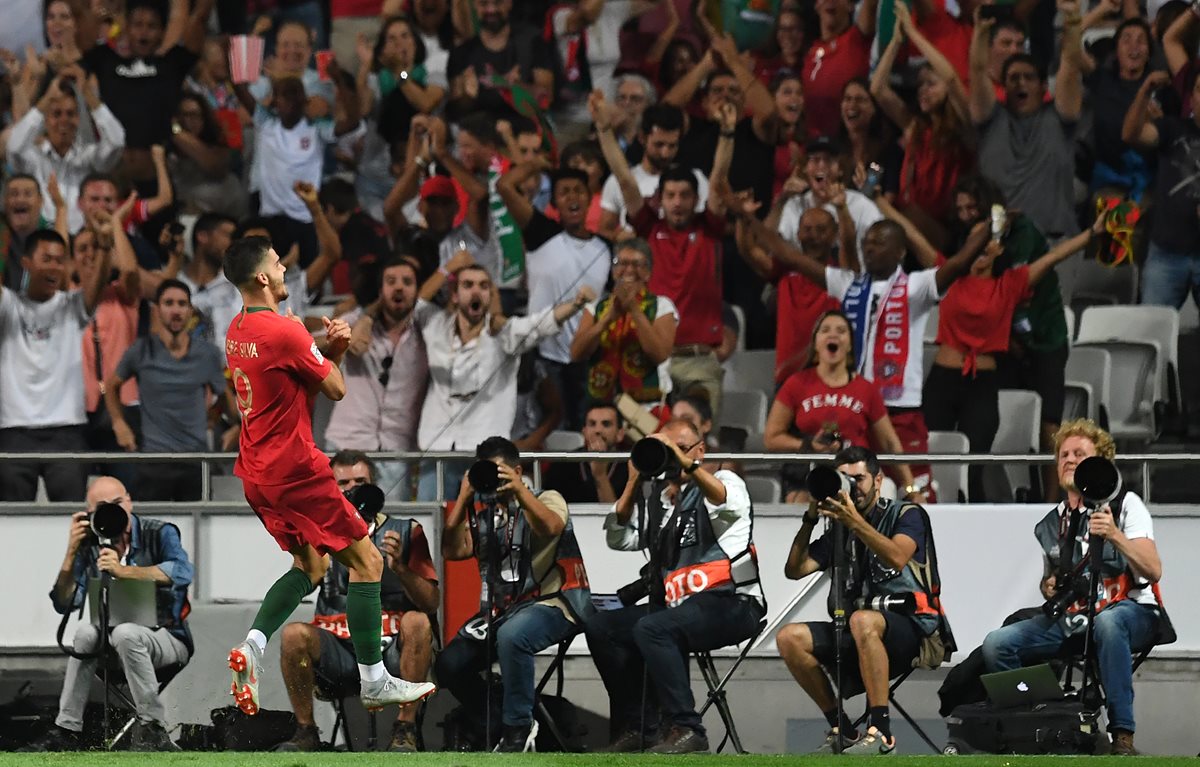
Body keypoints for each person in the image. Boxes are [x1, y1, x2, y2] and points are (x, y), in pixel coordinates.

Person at [220, 236, 436, 717]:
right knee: (368, 563)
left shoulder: (237, 329)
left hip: (256, 473)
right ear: (261, 277)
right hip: (296, 469)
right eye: (277, 263)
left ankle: (251, 647)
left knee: (311, 568)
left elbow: (285, 372)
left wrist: (313, 344)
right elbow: (335, 388)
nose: (283, 269)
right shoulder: (285, 332)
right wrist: (333, 348)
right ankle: (375, 679)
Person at [734, 201, 986, 501]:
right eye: (866, 243)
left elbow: (956, 266)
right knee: (863, 497)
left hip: (901, 409)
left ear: (900, 252)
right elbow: (790, 257)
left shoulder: (916, 287)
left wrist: (987, 232)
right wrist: (747, 218)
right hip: (860, 409)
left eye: (879, 242)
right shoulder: (847, 284)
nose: (869, 249)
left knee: (915, 496)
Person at [980, 419, 1167, 757]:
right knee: (997, 644)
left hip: (1133, 610)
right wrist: (1047, 586)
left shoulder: (1126, 505)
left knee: (1109, 623)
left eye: (1079, 453)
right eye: (1063, 454)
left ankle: (1121, 735)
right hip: (1077, 617)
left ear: (1100, 462)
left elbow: (1153, 569)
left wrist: (1114, 535)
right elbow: (1051, 578)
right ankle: (1039, 724)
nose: (1069, 459)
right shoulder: (1054, 520)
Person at [587, 417, 765, 754]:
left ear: (701, 450)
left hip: (733, 603)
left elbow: (727, 502)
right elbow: (618, 538)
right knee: (601, 627)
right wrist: (633, 480)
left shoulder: (725, 480)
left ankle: (686, 728)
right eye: (667, 450)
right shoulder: (663, 502)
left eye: (681, 449)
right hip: (681, 609)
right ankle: (640, 728)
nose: (674, 458)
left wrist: (687, 466)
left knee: (654, 627)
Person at [776, 446, 952, 755]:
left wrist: (854, 521)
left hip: (914, 629)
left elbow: (897, 556)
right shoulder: (840, 528)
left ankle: (881, 732)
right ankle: (842, 729)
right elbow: (795, 569)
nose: (853, 487)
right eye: (844, 480)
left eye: (859, 478)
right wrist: (810, 516)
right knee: (790, 637)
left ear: (879, 480)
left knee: (861, 620)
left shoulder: (907, 514)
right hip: (860, 628)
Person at [921, 214, 1101, 501]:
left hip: (982, 384)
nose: (981, 245)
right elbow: (912, 237)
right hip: (942, 380)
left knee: (974, 466)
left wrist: (1092, 231)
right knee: (930, 459)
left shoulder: (1010, 283)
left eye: (988, 238)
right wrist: (878, 199)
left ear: (999, 248)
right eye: (975, 238)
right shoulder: (949, 273)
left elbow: (1053, 257)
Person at [437, 436, 595, 752]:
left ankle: (518, 728)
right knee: (448, 663)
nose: (495, 482)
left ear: (518, 471)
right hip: (506, 610)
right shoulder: (486, 515)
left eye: (500, 473)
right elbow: (451, 550)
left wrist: (520, 492)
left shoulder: (548, 497)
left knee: (512, 636)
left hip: (556, 601)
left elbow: (549, 527)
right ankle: (493, 720)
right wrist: (463, 497)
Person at [275, 451, 440, 753]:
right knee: (292, 634)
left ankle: (405, 729)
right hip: (338, 651)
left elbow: (431, 603)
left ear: (373, 485)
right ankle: (306, 731)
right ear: (330, 488)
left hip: (391, 650)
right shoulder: (318, 531)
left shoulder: (406, 529)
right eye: (344, 483)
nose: (352, 489)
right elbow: (299, 586)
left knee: (418, 620)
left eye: (360, 482)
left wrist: (401, 569)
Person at [25, 476, 193, 752]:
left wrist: (123, 571)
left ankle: (152, 728)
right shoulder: (90, 544)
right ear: (91, 513)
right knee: (84, 633)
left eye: (118, 503)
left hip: (167, 639)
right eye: (104, 506)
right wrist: (71, 552)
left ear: (130, 501)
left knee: (126, 632)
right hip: (111, 644)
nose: (114, 510)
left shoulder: (160, 532)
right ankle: (66, 730)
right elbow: (66, 603)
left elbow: (183, 573)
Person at [595, 92, 735, 416]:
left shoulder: (709, 228)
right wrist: (604, 132)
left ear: (695, 198)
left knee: (698, 450)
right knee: (648, 448)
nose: (677, 202)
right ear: (660, 198)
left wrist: (727, 134)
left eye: (685, 195)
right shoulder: (648, 227)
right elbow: (626, 181)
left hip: (700, 360)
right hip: (653, 360)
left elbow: (718, 179)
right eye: (670, 195)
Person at [413, 261, 596, 500]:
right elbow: (417, 305)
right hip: (436, 449)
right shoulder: (436, 326)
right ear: (455, 295)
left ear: (491, 295)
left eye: (484, 286)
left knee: (483, 527)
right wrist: (450, 266)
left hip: (484, 453)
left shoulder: (504, 334)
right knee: (429, 526)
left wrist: (576, 304)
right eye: (468, 285)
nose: (476, 291)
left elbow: (540, 324)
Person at [498, 161, 613, 429]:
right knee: (550, 433)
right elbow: (504, 186)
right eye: (564, 192)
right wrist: (540, 161)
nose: (572, 197)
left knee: (588, 434)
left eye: (578, 190)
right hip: (544, 355)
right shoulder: (541, 232)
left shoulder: (606, 248)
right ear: (554, 202)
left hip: (588, 358)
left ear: (590, 199)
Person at [765, 310, 923, 500]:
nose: (833, 335)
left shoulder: (866, 389)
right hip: (810, 475)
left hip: (857, 474)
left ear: (849, 345)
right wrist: (808, 445)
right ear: (815, 344)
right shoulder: (796, 384)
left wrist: (910, 488)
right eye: (825, 330)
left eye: (841, 331)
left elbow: (890, 442)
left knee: (884, 488)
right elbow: (772, 438)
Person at [0, 229, 109, 502]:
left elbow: (99, 283)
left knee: (70, 518)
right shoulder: (8, 305)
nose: (54, 267)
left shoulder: (73, 306)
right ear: (26, 262)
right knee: (13, 522)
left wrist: (106, 249)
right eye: (46, 259)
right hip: (14, 429)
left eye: (60, 260)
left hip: (67, 429)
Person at [104, 279, 230, 500]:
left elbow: (224, 395)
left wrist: (214, 416)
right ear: (157, 309)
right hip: (154, 462)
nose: (176, 310)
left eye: (182, 304)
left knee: (197, 533)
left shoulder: (207, 354)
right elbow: (111, 386)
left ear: (190, 311)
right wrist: (118, 422)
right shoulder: (141, 350)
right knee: (152, 532)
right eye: (169, 303)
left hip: (195, 461)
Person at [969, 0, 1084, 241]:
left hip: (1055, 242)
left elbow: (1070, 64)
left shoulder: (1060, 118)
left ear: (1043, 86)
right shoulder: (990, 120)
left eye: (1028, 77)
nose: (1020, 83)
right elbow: (978, 71)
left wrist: (1072, 22)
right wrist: (980, 32)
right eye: (1013, 78)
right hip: (1000, 245)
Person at [330, 255, 428, 500]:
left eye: (407, 282)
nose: (398, 287)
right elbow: (311, 342)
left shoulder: (427, 331)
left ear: (418, 291)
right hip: (347, 444)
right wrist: (349, 334)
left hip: (397, 450)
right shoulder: (356, 320)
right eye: (391, 281)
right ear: (380, 290)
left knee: (391, 527)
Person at [6, 63, 125, 233]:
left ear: (78, 119)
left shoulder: (89, 157)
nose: (64, 121)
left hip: (84, 241)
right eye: (56, 114)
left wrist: (87, 93)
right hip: (42, 239)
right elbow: (14, 147)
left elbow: (116, 142)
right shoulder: (33, 158)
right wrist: (47, 99)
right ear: (45, 120)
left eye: (70, 114)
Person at [1122, 69, 1200, 308]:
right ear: (1192, 98)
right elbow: (1130, 135)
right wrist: (1145, 90)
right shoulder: (1172, 128)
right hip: (1166, 252)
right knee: (1149, 335)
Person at [570, 238, 679, 406]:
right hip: (602, 402)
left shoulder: (662, 305)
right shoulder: (596, 307)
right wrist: (606, 319)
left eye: (637, 264)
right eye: (621, 263)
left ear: (648, 272)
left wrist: (634, 310)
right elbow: (576, 353)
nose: (629, 270)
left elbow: (660, 355)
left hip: (646, 404)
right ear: (613, 271)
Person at [542, 400, 631, 504]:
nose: (598, 430)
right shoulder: (563, 464)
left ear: (620, 434)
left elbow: (617, 518)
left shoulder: (629, 466)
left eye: (606, 424)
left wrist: (600, 475)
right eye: (592, 424)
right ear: (584, 432)